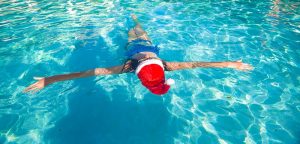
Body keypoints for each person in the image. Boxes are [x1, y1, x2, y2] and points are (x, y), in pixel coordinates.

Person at [24, 14, 253, 95]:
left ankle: (132, 22)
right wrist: (230, 63)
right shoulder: (167, 65)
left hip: (130, 48)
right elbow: (197, 64)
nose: (145, 59)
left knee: (130, 35)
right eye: (149, 60)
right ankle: (134, 18)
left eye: (147, 61)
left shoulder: (125, 67)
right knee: (139, 30)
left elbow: (87, 73)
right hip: (147, 42)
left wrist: (51, 79)